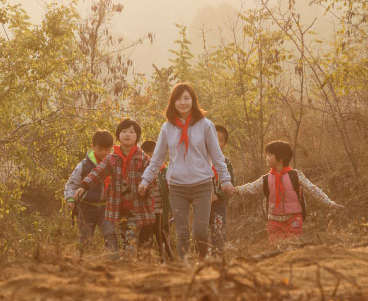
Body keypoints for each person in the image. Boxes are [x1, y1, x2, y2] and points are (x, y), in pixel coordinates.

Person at [138, 83, 235, 259]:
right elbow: (157, 159)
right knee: (182, 233)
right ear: (173, 102)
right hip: (177, 187)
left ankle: (202, 263)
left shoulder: (205, 125)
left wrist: (225, 180)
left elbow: (217, 156)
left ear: (193, 101)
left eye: (186, 98)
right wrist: (145, 180)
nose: (182, 102)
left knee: (200, 232)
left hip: (202, 185)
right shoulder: (167, 128)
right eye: (178, 99)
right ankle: (185, 268)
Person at [234, 140, 344, 242]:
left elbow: (313, 189)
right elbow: (250, 187)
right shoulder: (266, 179)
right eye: (267, 155)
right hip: (273, 220)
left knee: (293, 246)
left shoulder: (296, 175)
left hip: (293, 219)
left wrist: (330, 203)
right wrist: (235, 189)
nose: (266, 158)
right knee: (276, 248)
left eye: (269, 155)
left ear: (281, 158)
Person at [74, 118, 155, 256]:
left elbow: (153, 177)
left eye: (132, 132)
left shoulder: (143, 159)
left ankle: (130, 261)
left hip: (137, 207)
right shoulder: (112, 158)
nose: (127, 134)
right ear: (118, 136)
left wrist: (146, 187)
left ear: (137, 137)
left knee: (130, 239)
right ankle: (129, 263)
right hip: (119, 208)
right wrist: (84, 186)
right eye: (124, 131)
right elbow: (98, 172)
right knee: (124, 238)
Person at [64, 129, 117, 255]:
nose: (104, 153)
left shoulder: (114, 164)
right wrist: (70, 199)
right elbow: (71, 184)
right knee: (85, 238)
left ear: (112, 148)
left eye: (107, 149)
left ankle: (113, 260)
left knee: (110, 234)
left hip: (106, 207)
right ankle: (82, 260)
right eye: (100, 149)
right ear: (93, 147)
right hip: (86, 207)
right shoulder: (84, 165)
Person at [140, 140, 174, 260]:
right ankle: (146, 260)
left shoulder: (166, 171)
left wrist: (172, 211)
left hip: (163, 213)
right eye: (147, 156)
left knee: (163, 237)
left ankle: (167, 261)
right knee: (147, 238)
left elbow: (172, 192)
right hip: (147, 212)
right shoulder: (143, 172)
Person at [210, 125, 235, 253]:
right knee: (200, 231)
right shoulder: (199, 160)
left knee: (218, 232)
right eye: (214, 139)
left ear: (225, 144)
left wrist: (217, 195)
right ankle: (201, 258)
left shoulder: (226, 162)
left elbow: (231, 184)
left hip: (219, 203)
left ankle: (219, 257)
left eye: (221, 140)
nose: (217, 143)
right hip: (200, 202)